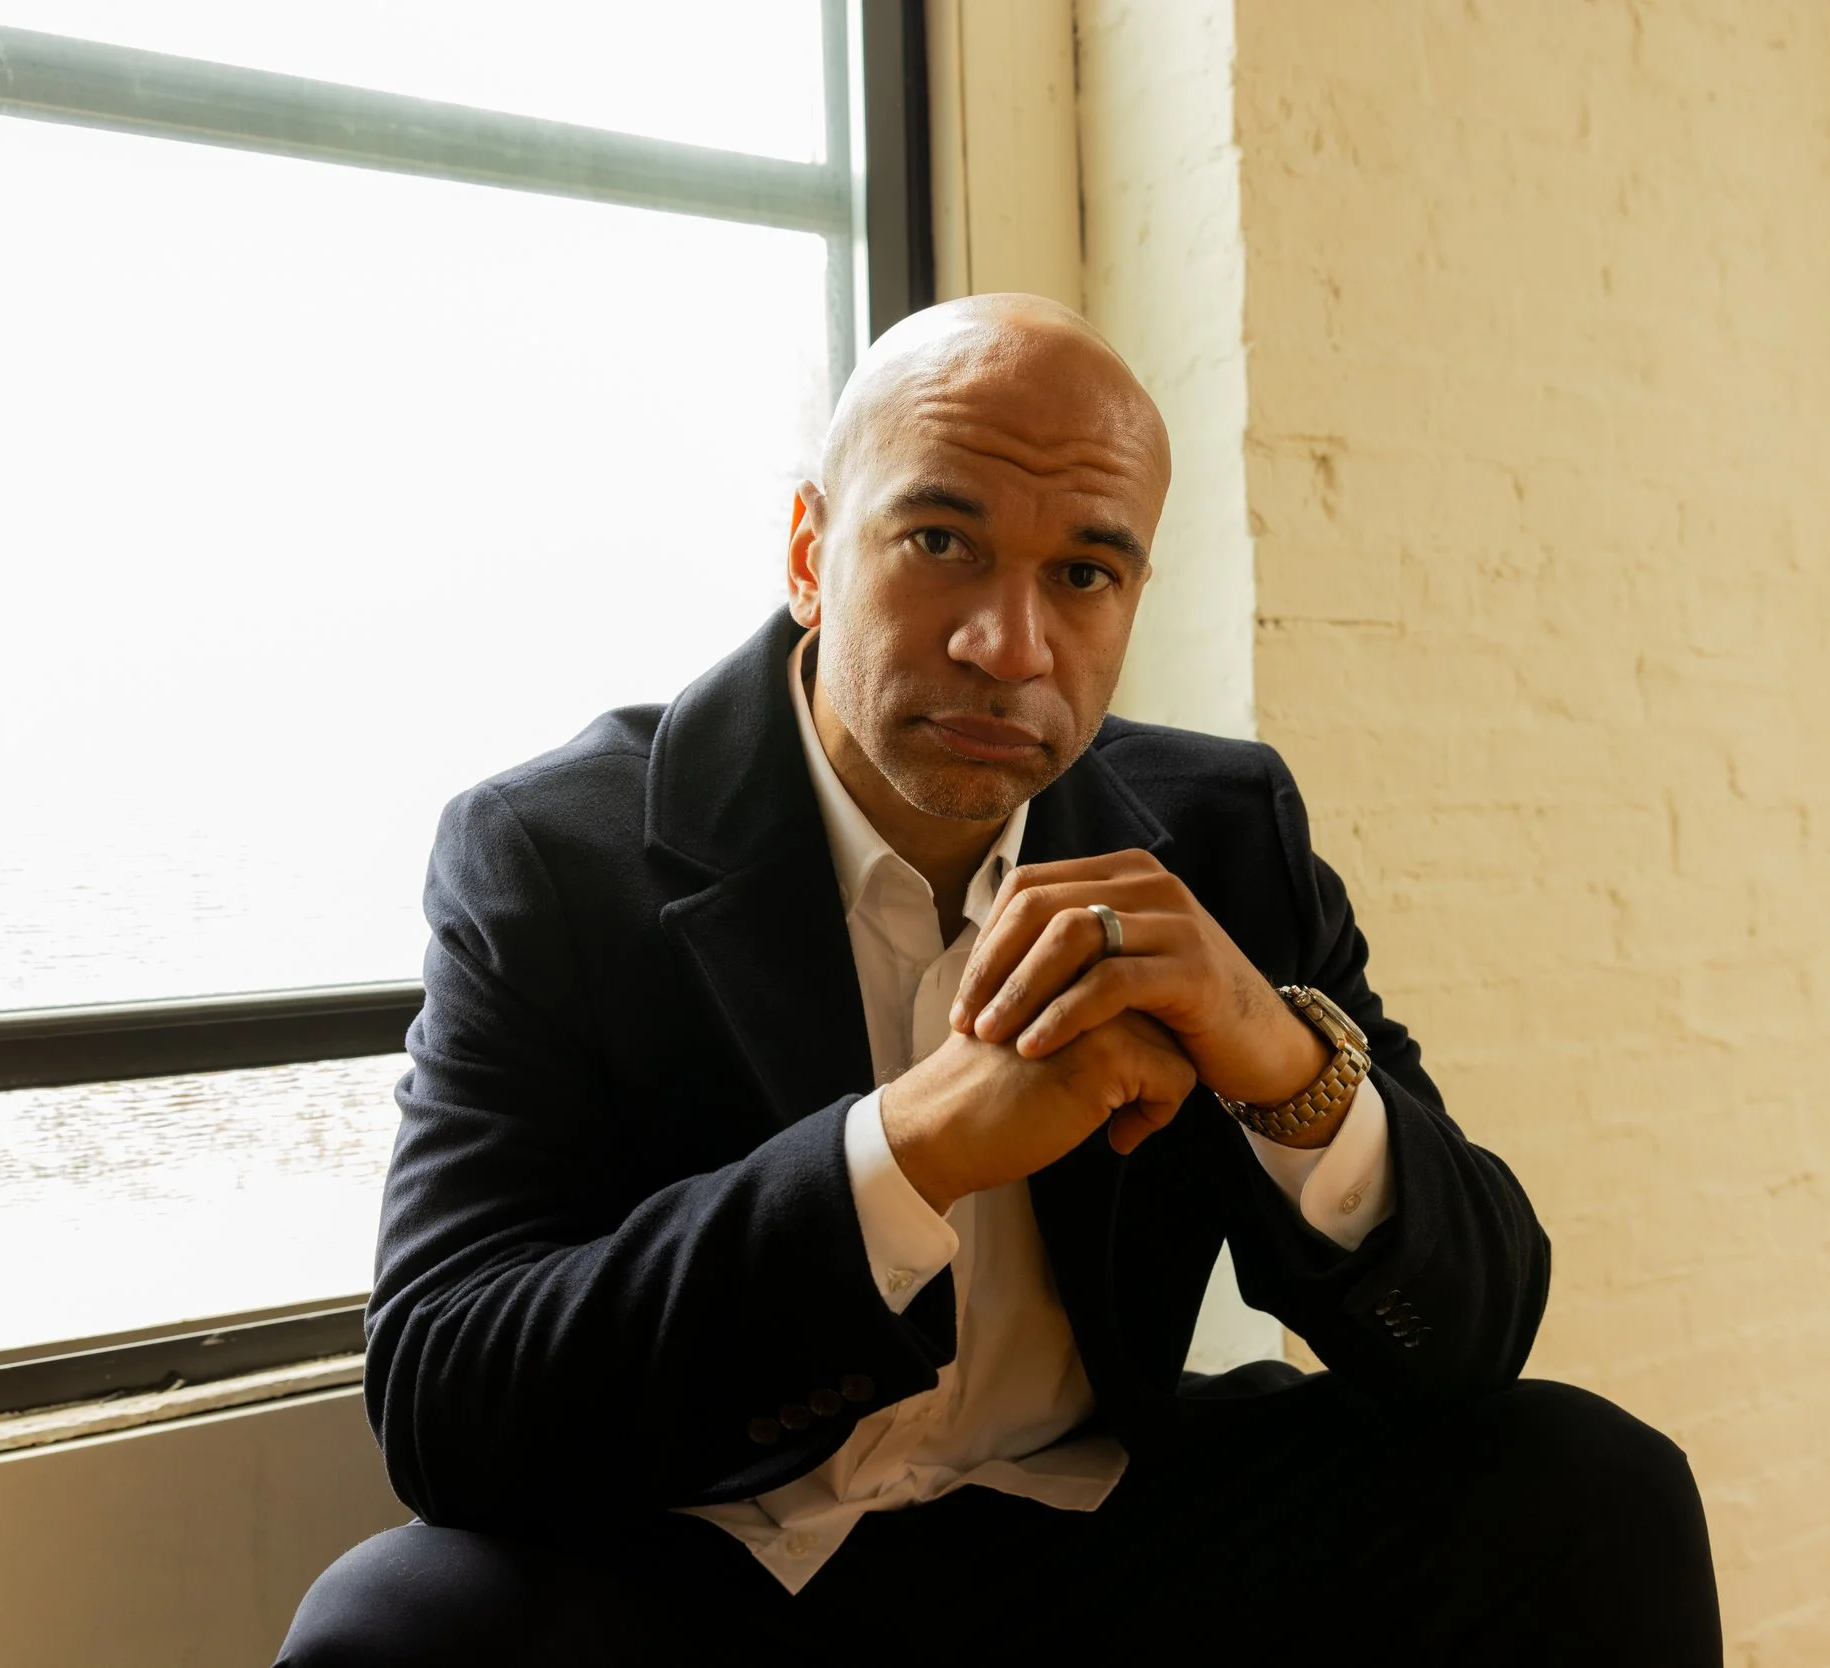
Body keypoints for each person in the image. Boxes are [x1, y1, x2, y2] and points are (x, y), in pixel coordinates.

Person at [277, 295, 1721, 1665]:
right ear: (807, 552)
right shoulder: (553, 852)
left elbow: (1469, 1336)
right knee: (393, 1629)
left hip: (1094, 1528)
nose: (1007, 647)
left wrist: (1274, 1060)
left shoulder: (1217, 835)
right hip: (717, 1562)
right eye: (942, 544)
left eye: (1083, 573)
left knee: (1590, 1490)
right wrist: (912, 1150)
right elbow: (443, 1401)